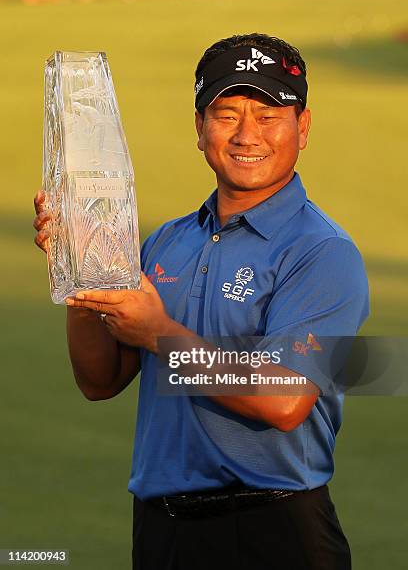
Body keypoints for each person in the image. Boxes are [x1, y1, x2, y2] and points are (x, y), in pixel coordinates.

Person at [33, 33, 369, 570]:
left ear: (302, 128)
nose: (245, 135)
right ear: (199, 128)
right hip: (163, 532)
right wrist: (77, 270)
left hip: (273, 531)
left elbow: (284, 400)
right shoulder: (168, 241)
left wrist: (160, 336)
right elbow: (100, 381)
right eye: (226, 114)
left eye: (267, 115)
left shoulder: (323, 252)